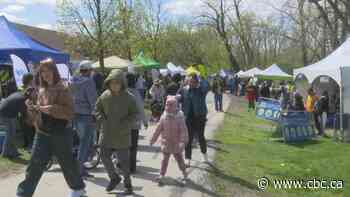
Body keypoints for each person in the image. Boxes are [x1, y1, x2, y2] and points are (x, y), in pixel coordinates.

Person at [17, 58, 86, 197]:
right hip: (42, 133)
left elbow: (70, 112)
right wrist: (31, 108)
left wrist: (51, 109)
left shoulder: (64, 88)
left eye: (48, 71)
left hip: (61, 133)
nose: (45, 74)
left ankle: (78, 189)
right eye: (42, 72)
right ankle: (23, 193)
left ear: (54, 71)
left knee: (67, 164)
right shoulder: (41, 89)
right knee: (34, 165)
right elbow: (37, 112)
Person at [95, 69, 137, 194]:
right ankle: (114, 178)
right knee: (103, 155)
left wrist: (126, 123)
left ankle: (128, 185)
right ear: (108, 83)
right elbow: (97, 109)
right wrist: (101, 118)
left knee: (124, 162)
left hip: (122, 134)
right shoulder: (104, 95)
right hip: (106, 132)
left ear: (122, 83)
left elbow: (135, 114)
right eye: (112, 83)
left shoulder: (129, 98)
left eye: (117, 83)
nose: (114, 85)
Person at [150, 96, 188, 185]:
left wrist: (182, 142)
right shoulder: (164, 117)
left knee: (179, 159)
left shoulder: (180, 117)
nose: (168, 108)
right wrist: (153, 139)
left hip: (176, 143)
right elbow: (158, 129)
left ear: (175, 107)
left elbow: (184, 131)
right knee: (164, 160)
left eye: (170, 106)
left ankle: (184, 173)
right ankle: (161, 175)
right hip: (166, 142)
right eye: (167, 106)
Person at [70, 60, 98, 178]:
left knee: (81, 142)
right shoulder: (89, 82)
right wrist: (96, 113)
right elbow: (93, 100)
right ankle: (79, 169)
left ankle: (79, 167)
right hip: (86, 115)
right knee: (85, 143)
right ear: (89, 70)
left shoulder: (73, 81)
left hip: (75, 114)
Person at [178, 75, 209, 167]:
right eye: (191, 81)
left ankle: (204, 154)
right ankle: (188, 158)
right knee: (188, 138)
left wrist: (201, 77)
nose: (192, 83)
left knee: (200, 136)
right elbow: (178, 98)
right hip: (188, 118)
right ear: (188, 81)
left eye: (194, 82)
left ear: (197, 82)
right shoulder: (184, 90)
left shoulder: (201, 90)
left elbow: (207, 86)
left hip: (200, 116)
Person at [0, 87, 35, 158]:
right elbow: (24, 114)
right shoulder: (23, 99)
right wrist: (31, 121)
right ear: (29, 93)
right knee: (10, 134)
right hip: (5, 114)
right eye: (34, 93)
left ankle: (13, 152)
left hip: (8, 113)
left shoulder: (20, 94)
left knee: (12, 133)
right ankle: (4, 154)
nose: (35, 94)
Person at [126, 73, 148, 174]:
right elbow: (140, 108)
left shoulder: (122, 93)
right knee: (133, 146)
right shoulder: (136, 93)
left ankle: (123, 165)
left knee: (124, 145)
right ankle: (132, 167)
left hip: (123, 124)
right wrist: (145, 121)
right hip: (134, 123)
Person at [19, 73, 36, 150]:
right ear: (30, 80)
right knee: (30, 130)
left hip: (22, 111)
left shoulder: (22, 87)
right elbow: (32, 99)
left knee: (26, 129)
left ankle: (27, 144)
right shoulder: (31, 89)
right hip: (28, 111)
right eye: (33, 79)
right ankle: (30, 145)